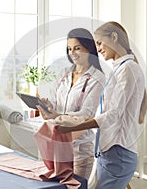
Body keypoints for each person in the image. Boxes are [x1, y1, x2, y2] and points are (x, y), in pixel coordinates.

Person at [55, 21, 145, 188]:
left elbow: (112, 115)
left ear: (114, 37)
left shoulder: (128, 69)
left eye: (99, 43)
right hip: (108, 151)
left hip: (118, 152)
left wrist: (70, 128)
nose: (98, 49)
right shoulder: (119, 69)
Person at [37, 28, 105, 180]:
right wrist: (49, 106)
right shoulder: (64, 73)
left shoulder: (97, 78)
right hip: (58, 146)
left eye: (77, 48)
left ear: (89, 48)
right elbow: (55, 101)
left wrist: (57, 115)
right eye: (69, 49)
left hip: (80, 149)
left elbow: (86, 114)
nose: (72, 52)